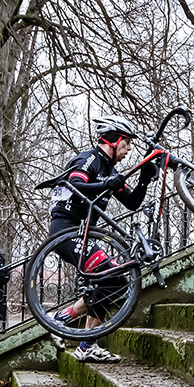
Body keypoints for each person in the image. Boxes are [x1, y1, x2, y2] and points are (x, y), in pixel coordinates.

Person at [49, 114, 155, 363]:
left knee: (115, 281)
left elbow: (132, 202)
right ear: (114, 140)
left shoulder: (109, 170)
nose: (129, 149)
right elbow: (75, 184)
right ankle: (61, 319)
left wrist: (144, 179)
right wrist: (106, 183)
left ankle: (87, 344)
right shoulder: (90, 159)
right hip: (66, 230)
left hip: (82, 233)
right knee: (113, 277)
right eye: (127, 143)